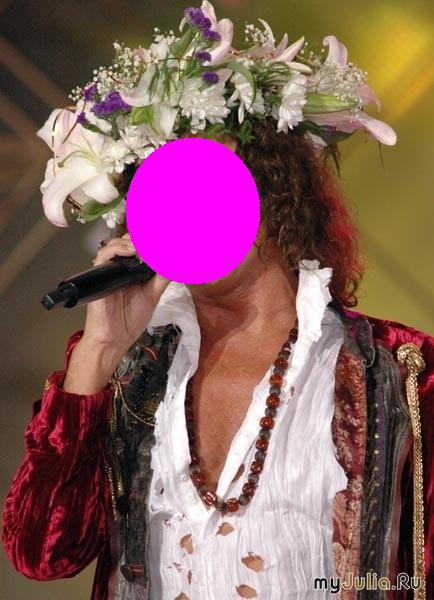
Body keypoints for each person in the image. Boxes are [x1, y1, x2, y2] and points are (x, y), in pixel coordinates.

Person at [2, 3, 434, 599]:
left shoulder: (401, 371)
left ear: (270, 191)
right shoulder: (131, 375)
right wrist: (98, 352)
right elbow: (41, 553)